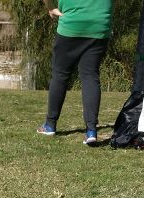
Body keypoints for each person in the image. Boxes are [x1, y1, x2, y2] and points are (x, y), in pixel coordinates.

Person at [37, 0, 114, 146]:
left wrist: (51, 8)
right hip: (99, 26)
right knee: (90, 76)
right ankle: (91, 130)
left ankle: (50, 125)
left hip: (71, 24)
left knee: (60, 75)